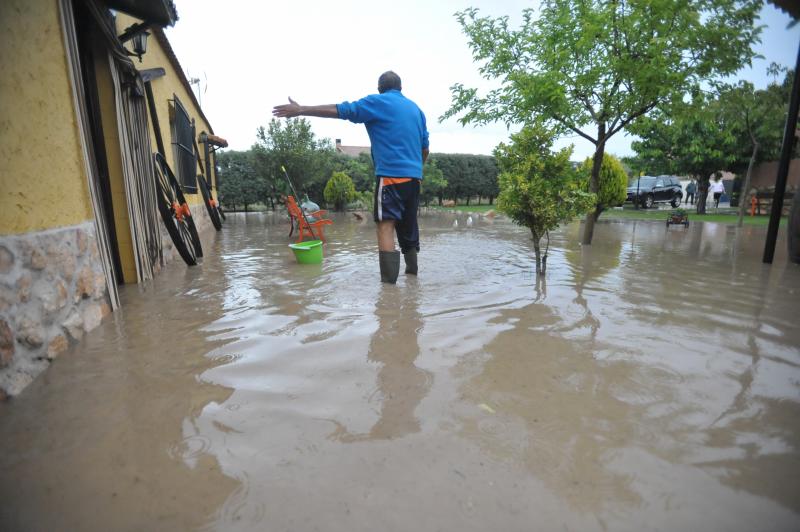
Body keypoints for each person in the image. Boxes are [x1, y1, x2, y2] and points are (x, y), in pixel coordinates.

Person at [272, 71, 429, 284]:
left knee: (385, 225)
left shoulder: (378, 102)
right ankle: (413, 280)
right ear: (400, 88)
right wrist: (416, 172)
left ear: (380, 88)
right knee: (409, 227)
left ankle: (389, 293)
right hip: (414, 179)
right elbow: (425, 148)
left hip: (390, 178)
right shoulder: (417, 110)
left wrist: (302, 110)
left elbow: (342, 110)